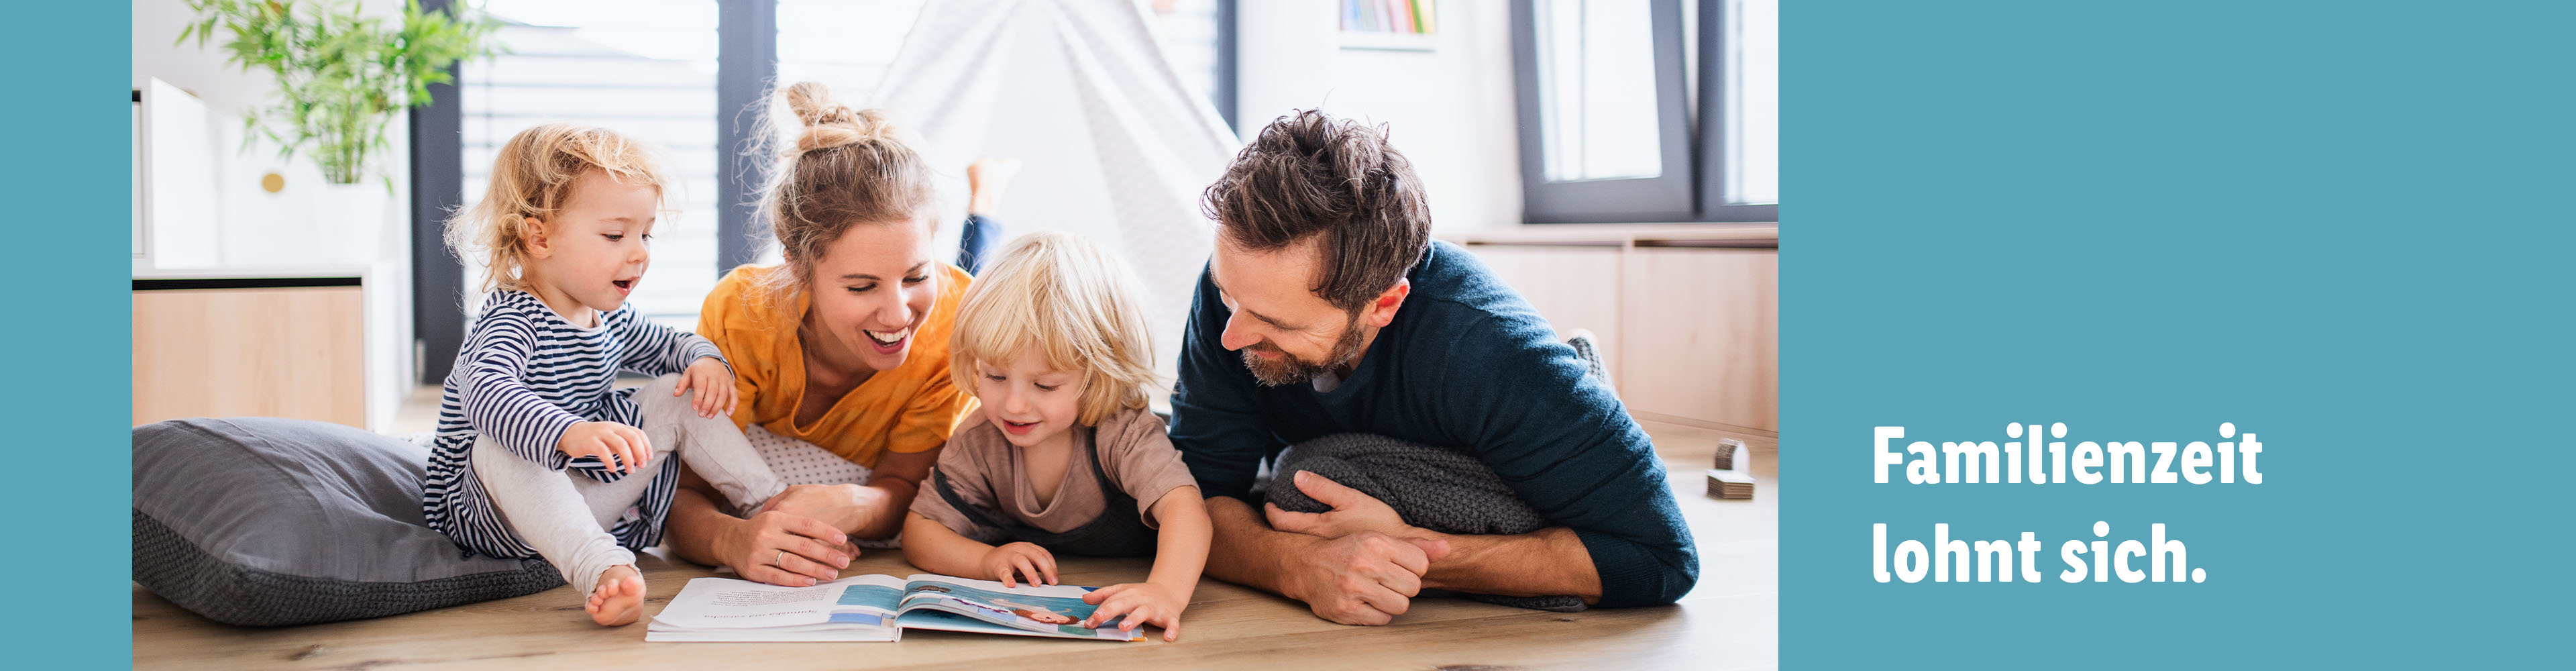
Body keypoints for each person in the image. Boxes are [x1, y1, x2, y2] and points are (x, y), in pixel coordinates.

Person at [1169, 110, 1700, 625]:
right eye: (1227, 293)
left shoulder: (1491, 353)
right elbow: (1192, 500)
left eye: (1274, 322)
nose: (1230, 336)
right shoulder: (1240, 293)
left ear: (1384, 305)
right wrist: (1294, 567)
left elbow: (1662, 558)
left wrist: (1416, 555)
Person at [422, 122, 792, 626]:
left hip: (579, 495)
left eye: (645, 234)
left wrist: (704, 360)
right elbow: (485, 393)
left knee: (675, 391)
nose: (639, 253)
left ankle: (773, 503)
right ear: (539, 237)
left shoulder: (608, 316)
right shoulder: (512, 320)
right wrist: (567, 432)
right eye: (616, 235)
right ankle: (602, 568)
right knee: (497, 445)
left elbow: (670, 344)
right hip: (493, 513)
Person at [661, 82, 985, 586]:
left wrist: (857, 502)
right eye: (862, 286)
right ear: (799, 268)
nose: (898, 314)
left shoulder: (953, 324)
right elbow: (682, 495)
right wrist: (731, 540)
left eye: (917, 276)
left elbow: (906, 488)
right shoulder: (743, 314)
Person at [901, 232, 1212, 641]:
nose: (1014, 405)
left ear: (1097, 376)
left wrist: (1165, 591)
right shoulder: (979, 438)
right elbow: (920, 531)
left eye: (1044, 385)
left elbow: (1187, 510)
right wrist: (986, 560)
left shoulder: (1123, 431)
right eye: (995, 376)